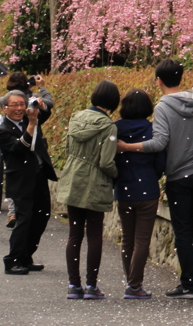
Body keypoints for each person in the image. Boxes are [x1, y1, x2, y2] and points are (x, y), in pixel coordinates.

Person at [117, 59, 193, 298]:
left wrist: (128, 146)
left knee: (183, 230)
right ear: (181, 77)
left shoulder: (163, 106)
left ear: (158, 80)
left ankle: (189, 283)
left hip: (178, 175)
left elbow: (159, 142)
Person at [57, 80, 119, 300]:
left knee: (74, 235)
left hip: (73, 179)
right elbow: (106, 162)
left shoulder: (76, 118)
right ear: (114, 102)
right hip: (95, 184)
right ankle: (91, 286)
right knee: (94, 235)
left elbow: (67, 149)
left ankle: (74, 285)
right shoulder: (109, 127)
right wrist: (117, 175)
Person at [0, 89, 58, 275]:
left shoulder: (30, 119)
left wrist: (41, 104)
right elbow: (20, 147)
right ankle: (12, 260)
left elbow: (46, 112)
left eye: (22, 104)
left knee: (42, 217)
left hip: (38, 175)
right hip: (20, 180)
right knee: (24, 220)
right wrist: (31, 123)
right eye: (15, 105)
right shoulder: (2, 130)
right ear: (5, 108)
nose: (20, 108)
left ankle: (26, 256)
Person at [114, 89, 166, 299]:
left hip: (124, 189)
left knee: (127, 238)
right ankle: (134, 285)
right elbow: (161, 161)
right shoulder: (152, 129)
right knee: (142, 240)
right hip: (147, 189)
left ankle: (132, 282)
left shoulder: (115, 129)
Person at [0, 73, 53, 226]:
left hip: (12, 139)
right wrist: (42, 87)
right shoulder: (31, 99)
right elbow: (49, 104)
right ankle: (24, 213)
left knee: (14, 173)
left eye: (21, 105)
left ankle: (13, 211)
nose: (19, 107)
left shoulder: (7, 99)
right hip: (29, 143)